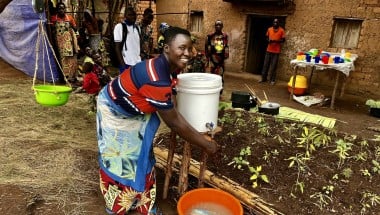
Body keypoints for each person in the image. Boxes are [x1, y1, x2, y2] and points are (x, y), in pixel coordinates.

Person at [96, 27, 218, 215]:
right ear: (167, 48)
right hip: (115, 112)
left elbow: (171, 100)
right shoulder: (156, 78)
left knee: (143, 156)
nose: (187, 53)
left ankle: (144, 203)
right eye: (181, 48)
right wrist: (207, 145)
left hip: (133, 108)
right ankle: (118, 206)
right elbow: (174, 122)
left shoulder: (166, 67)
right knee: (120, 160)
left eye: (189, 48)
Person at [50, 2, 80, 84]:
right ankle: (64, 78)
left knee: (71, 61)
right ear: (57, 10)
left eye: (63, 8)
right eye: (59, 8)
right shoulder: (53, 19)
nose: (61, 10)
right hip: (59, 45)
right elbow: (52, 31)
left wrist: (75, 43)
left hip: (69, 44)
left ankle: (72, 78)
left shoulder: (69, 18)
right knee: (62, 61)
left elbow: (75, 29)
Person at [114, 7, 141, 74]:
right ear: (125, 16)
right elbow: (117, 48)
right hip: (126, 63)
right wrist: (123, 65)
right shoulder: (119, 27)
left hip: (138, 63)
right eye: (130, 15)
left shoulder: (137, 28)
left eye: (134, 14)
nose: (133, 17)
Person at [259, 18, 286, 85]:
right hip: (268, 50)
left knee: (273, 66)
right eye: (274, 22)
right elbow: (266, 37)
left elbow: (283, 40)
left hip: (276, 51)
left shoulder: (282, 30)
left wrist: (276, 41)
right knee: (265, 65)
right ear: (272, 23)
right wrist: (268, 40)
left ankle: (272, 80)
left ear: (278, 23)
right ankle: (263, 78)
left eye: (276, 22)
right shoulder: (269, 29)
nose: (275, 24)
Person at [205, 20, 229, 93]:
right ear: (214, 26)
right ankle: (212, 90)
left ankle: (220, 91)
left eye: (220, 25)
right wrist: (207, 57)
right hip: (212, 58)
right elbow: (206, 46)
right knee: (212, 74)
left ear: (222, 26)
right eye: (217, 25)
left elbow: (226, 46)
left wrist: (226, 55)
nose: (218, 26)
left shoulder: (225, 36)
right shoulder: (210, 36)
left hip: (221, 59)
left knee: (221, 74)